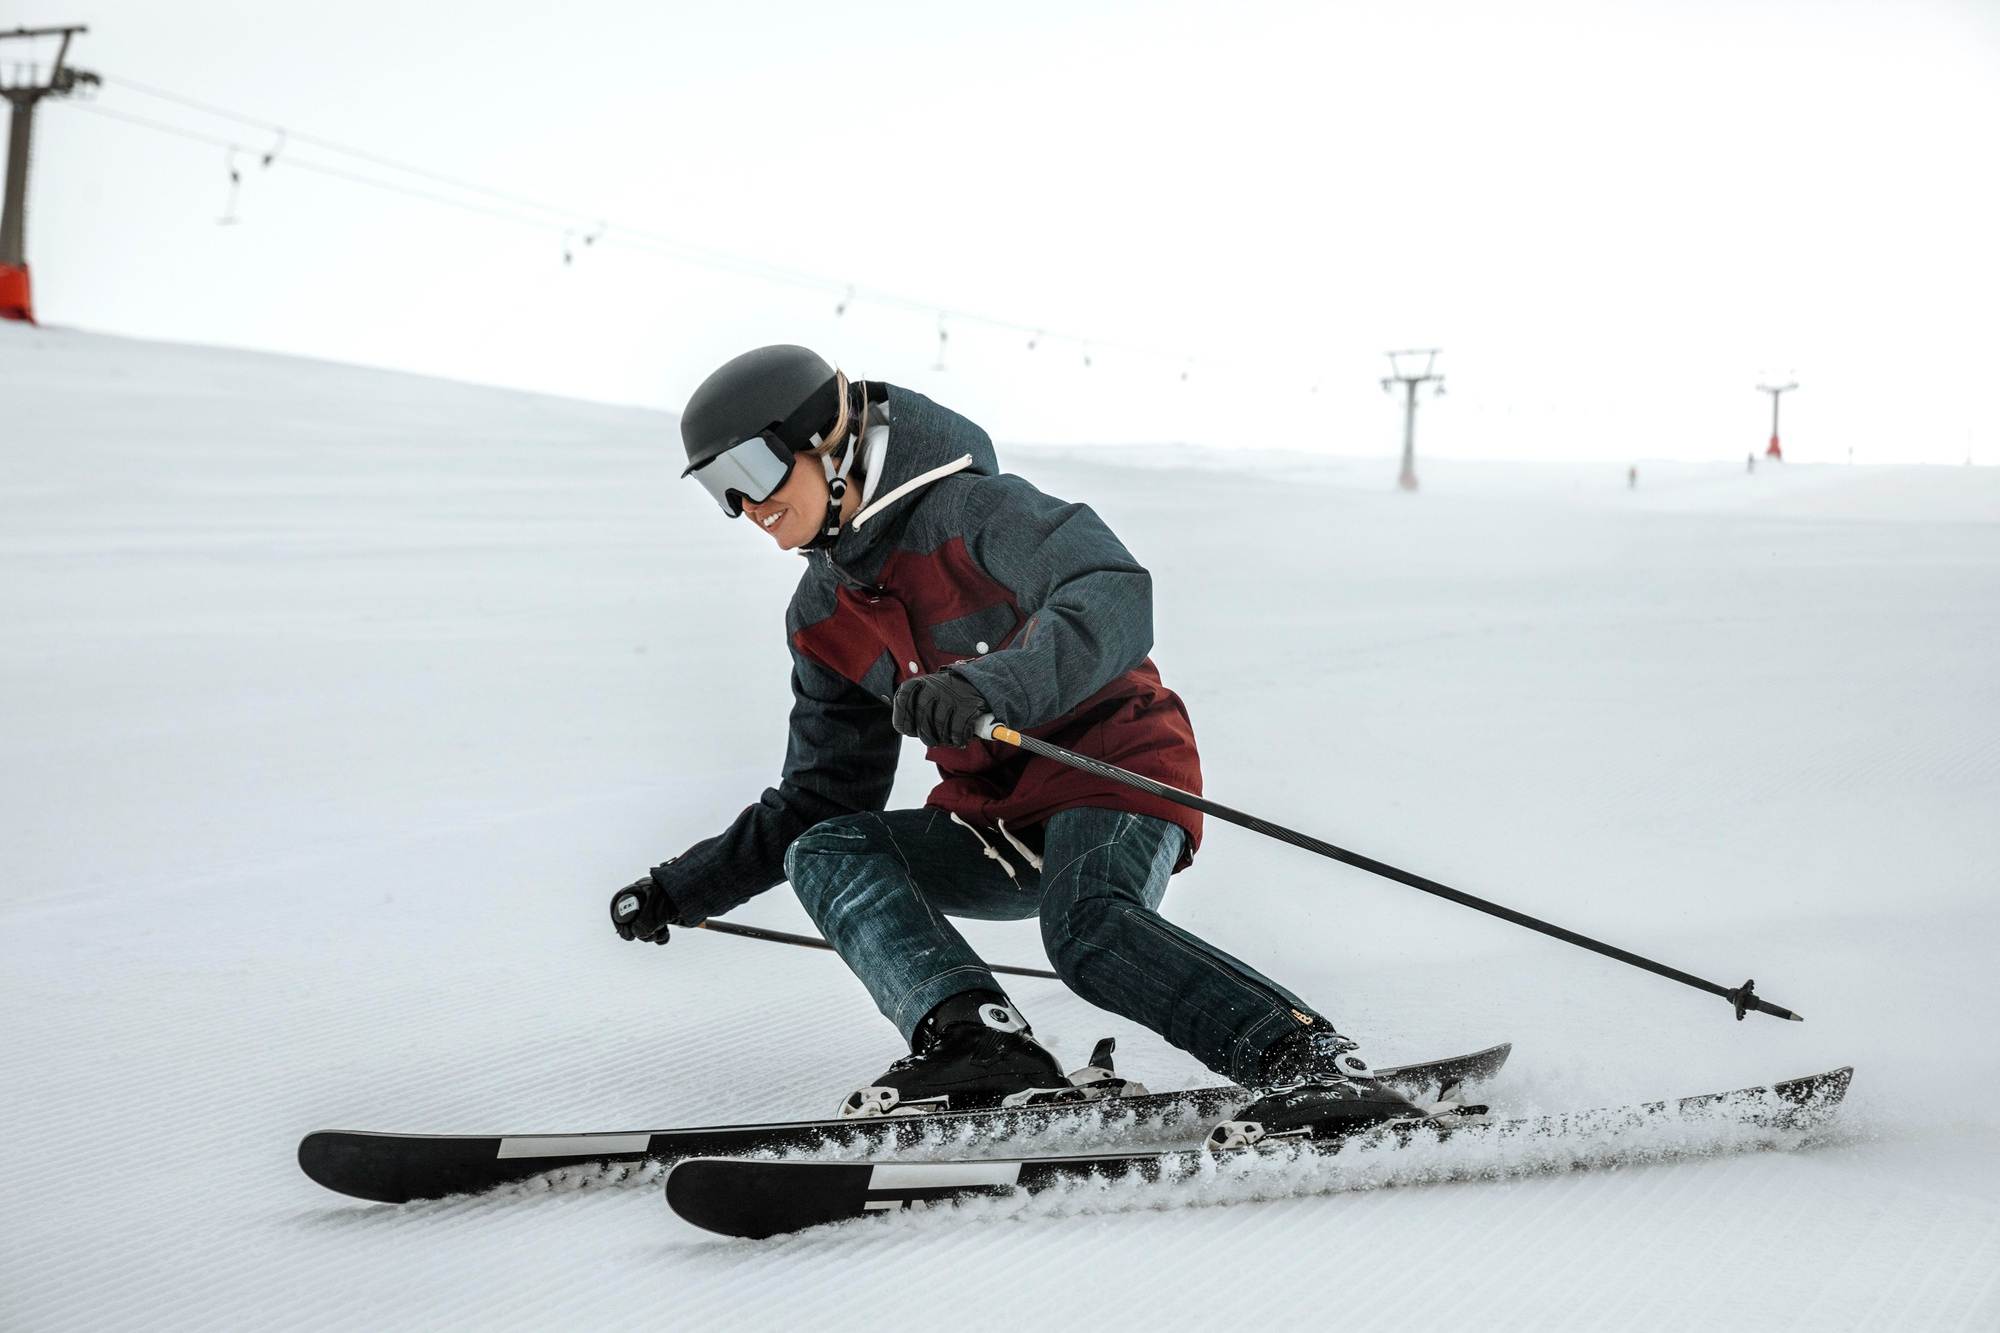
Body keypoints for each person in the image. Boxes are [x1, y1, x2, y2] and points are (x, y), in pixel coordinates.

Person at [610, 345, 1423, 1146]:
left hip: (1113, 771)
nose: (746, 507)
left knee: (1086, 928)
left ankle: (1309, 1066)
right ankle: (980, 1044)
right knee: (827, 848)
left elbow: (1111, 589)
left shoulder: (975, 512)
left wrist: (989, 686)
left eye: (751, 471)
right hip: (994, 818)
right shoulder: (823, 613)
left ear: (830, 441)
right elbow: (823, 793)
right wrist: (686, 888)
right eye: (721, 490)